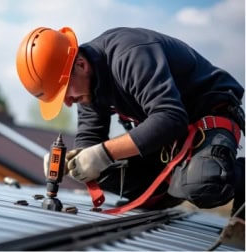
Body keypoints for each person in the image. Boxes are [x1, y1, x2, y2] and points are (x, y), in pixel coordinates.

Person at [16, 26, 245, 215]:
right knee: (98, 170)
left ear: (81, 65)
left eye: (65, 92)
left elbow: (170, 117)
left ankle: (229, 177)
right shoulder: (87, 82)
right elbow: (89, 136)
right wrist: (75, 160)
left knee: (203, 184)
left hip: (208, 118)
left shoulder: (129, 55)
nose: (68, 103)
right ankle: (166, 194)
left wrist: (103, 153)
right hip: (170, 137)